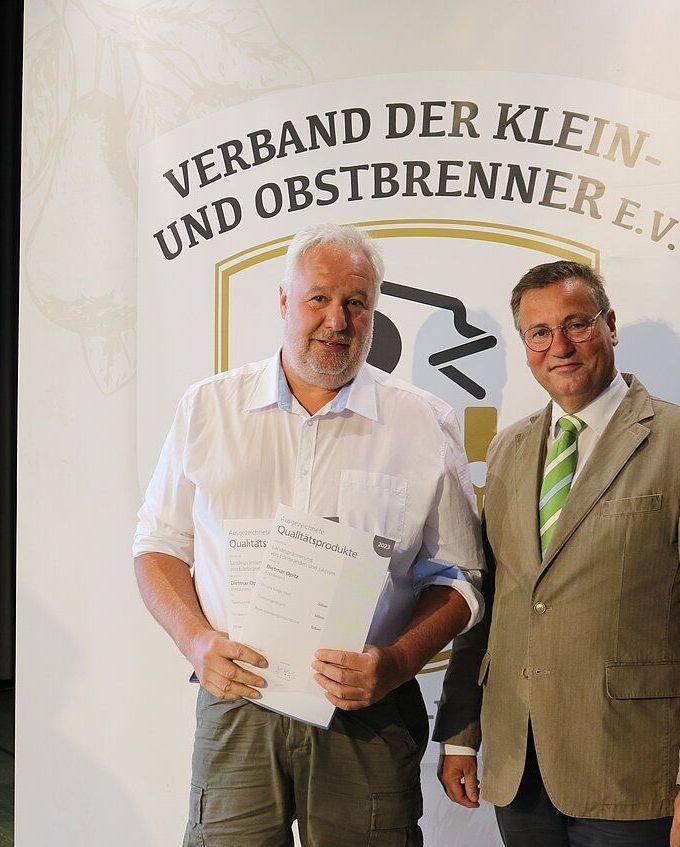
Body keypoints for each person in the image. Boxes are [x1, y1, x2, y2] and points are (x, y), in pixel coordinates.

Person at [133, 223, 484, 847]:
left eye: (356, 303)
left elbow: (459, 578)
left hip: (368, 711)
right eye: (319, 298)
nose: (337, 321)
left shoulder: (424, 422)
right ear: (284, 301)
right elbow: (158, 547)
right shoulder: (208, 408)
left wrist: (396, 663)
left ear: (374, 312)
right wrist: (194, 642)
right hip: (239, 700)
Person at [433, 260, 680, 847]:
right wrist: (461, 734)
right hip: (519, 768)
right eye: (539, 333)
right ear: (525, 348)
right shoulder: (508, 449)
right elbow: (493, 602)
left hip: (634, 772)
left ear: (609, 325)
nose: (558, 347)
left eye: (576, 324)